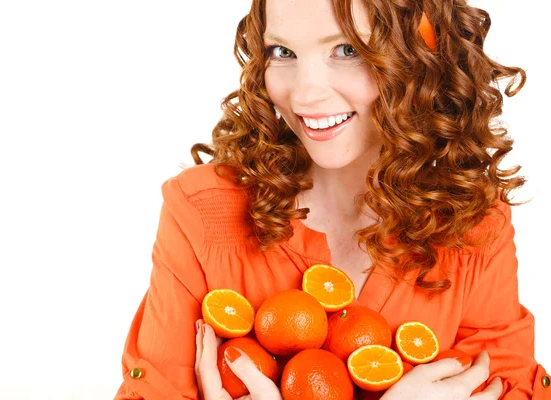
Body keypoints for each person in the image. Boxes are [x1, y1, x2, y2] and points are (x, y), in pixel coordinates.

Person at [114, 0, 550, 399]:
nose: (304, 94)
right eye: (282, 52)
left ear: (423, 59)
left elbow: (506, 385)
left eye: (347, 50)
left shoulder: (474, 223)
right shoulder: (198, 211)